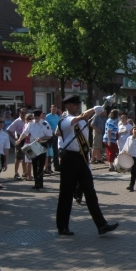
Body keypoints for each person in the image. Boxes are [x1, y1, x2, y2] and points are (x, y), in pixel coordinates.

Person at [55, 95, 119, 236]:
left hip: (81, 158)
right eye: (74, 104)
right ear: (68, 106)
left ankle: (101, 225)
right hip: (69, 159)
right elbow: (79, 118)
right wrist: (93, 110)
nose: (77, 106)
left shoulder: (83, 120)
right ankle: (62, 226)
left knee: (90, 193)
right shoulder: (66, 120)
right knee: (66, 194)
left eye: (78, 103)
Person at [16, 110, 52, 189]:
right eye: (35, 116)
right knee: (34, 164)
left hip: (42, 145)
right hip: (33, 145)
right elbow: (25, 133)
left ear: (40, 116)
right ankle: (36, 182)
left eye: (37, 116)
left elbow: (49, 135)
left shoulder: (44, 124)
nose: (36, 118)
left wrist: (41, 138)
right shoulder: (30, 123)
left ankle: (40, 183)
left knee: (41, 165)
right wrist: (19, 140)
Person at [7, 107, 28, 179]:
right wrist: (14, 138)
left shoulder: (27, 121)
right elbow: (9, 130)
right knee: (18, 157)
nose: (23, 114)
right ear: (19, 113)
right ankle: (16, 173)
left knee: (25, 157)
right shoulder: (17, 121)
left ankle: (25, 172)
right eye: (22, 113)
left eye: (25, 113)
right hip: (19, 139)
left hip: (26, 140)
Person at [45, 105, 60, 173]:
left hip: (56, 135)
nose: (54, 110)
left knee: (56, 151)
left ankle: (57, 166)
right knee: (49, 152)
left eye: (55, 109)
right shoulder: (47, 116)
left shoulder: (57, 116)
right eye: (53, 109)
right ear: (50, 109)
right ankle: (48, 167)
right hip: (50, 136)